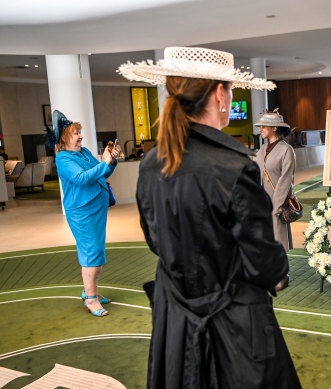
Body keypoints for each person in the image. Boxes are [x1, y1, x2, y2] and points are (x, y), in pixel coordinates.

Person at [119, 47, 301, 389]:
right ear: (220, 94)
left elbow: (155, 240)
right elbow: (263, 260)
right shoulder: (234, 166)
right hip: (233, 327)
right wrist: (277, 272)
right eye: (230, 89)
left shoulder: (152, 162)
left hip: (175, 319)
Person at [52, 110, 120, 317]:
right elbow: (82, 178)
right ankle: (90, 299)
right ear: (64, 137)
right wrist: (104, 162)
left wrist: (112, 161)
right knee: (91, 253)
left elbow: (102, 172)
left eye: (80, 132)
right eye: (76, 133)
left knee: (96, 251)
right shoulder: (63, 158)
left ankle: (91, 292)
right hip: (83, 212)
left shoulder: (84, 152)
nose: (81, 136)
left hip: (96, 209)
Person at [254, 109, 296, 251]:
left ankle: (282, 273)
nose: (260, 129)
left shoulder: (286, 150)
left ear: (275, 128)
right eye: (260, 126)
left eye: (263, 126)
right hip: (260, 204)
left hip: (275, 204)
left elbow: (286, 180)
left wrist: (276, 207)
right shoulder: (262, 149)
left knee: (278, 241)